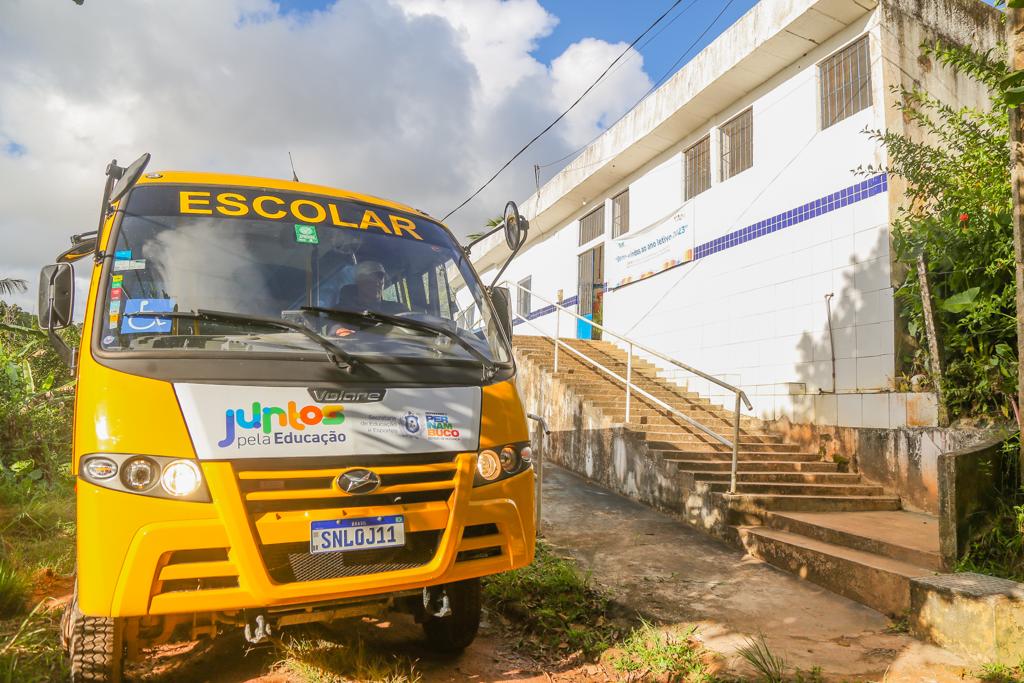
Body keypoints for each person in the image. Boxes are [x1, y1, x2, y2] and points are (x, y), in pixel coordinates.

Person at [337, 260, 406, 315]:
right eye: (370, 278)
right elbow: (332, 327)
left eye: (380, 277)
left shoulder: (397, 309)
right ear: (359, 281)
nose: (376, 282)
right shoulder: (342, 311)